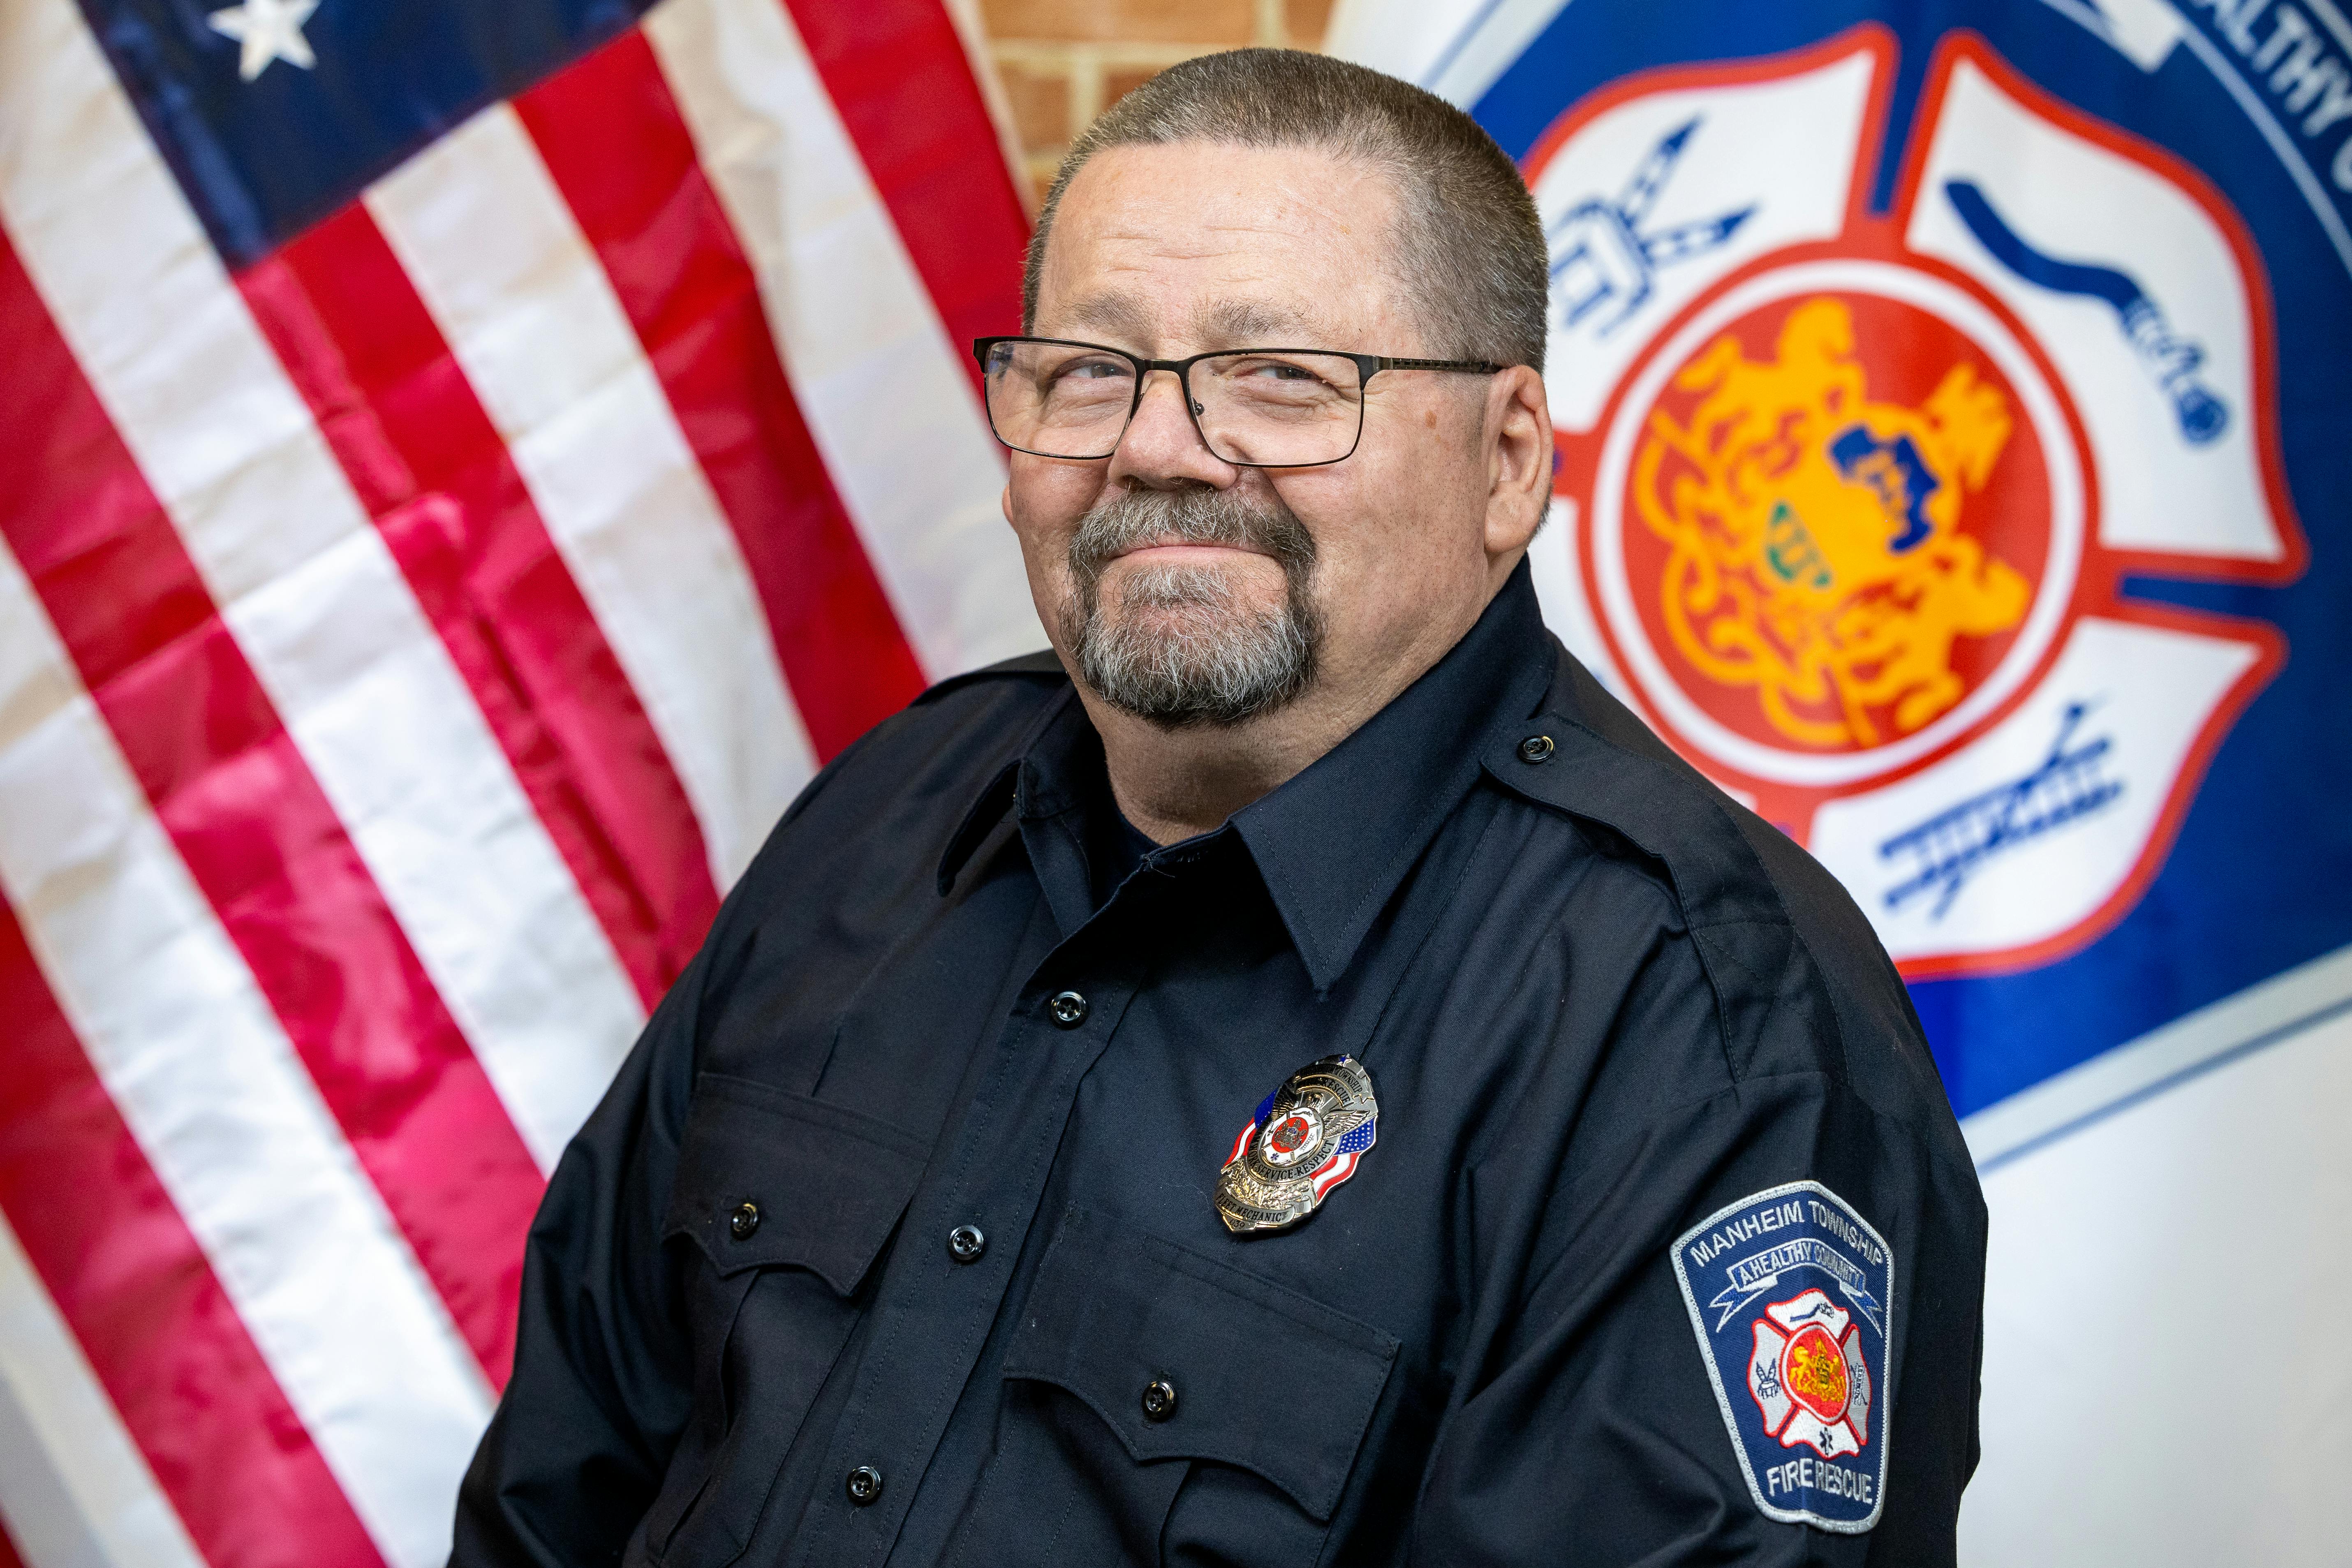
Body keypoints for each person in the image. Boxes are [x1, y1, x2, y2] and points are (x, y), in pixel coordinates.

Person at [451, 47, 1985, 1568]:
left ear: (1508, 461)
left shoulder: (1701, 1026)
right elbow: (551, 1504)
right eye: (1087, 372)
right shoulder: (884, 819)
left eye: (1283, 380)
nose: (1158, 450)